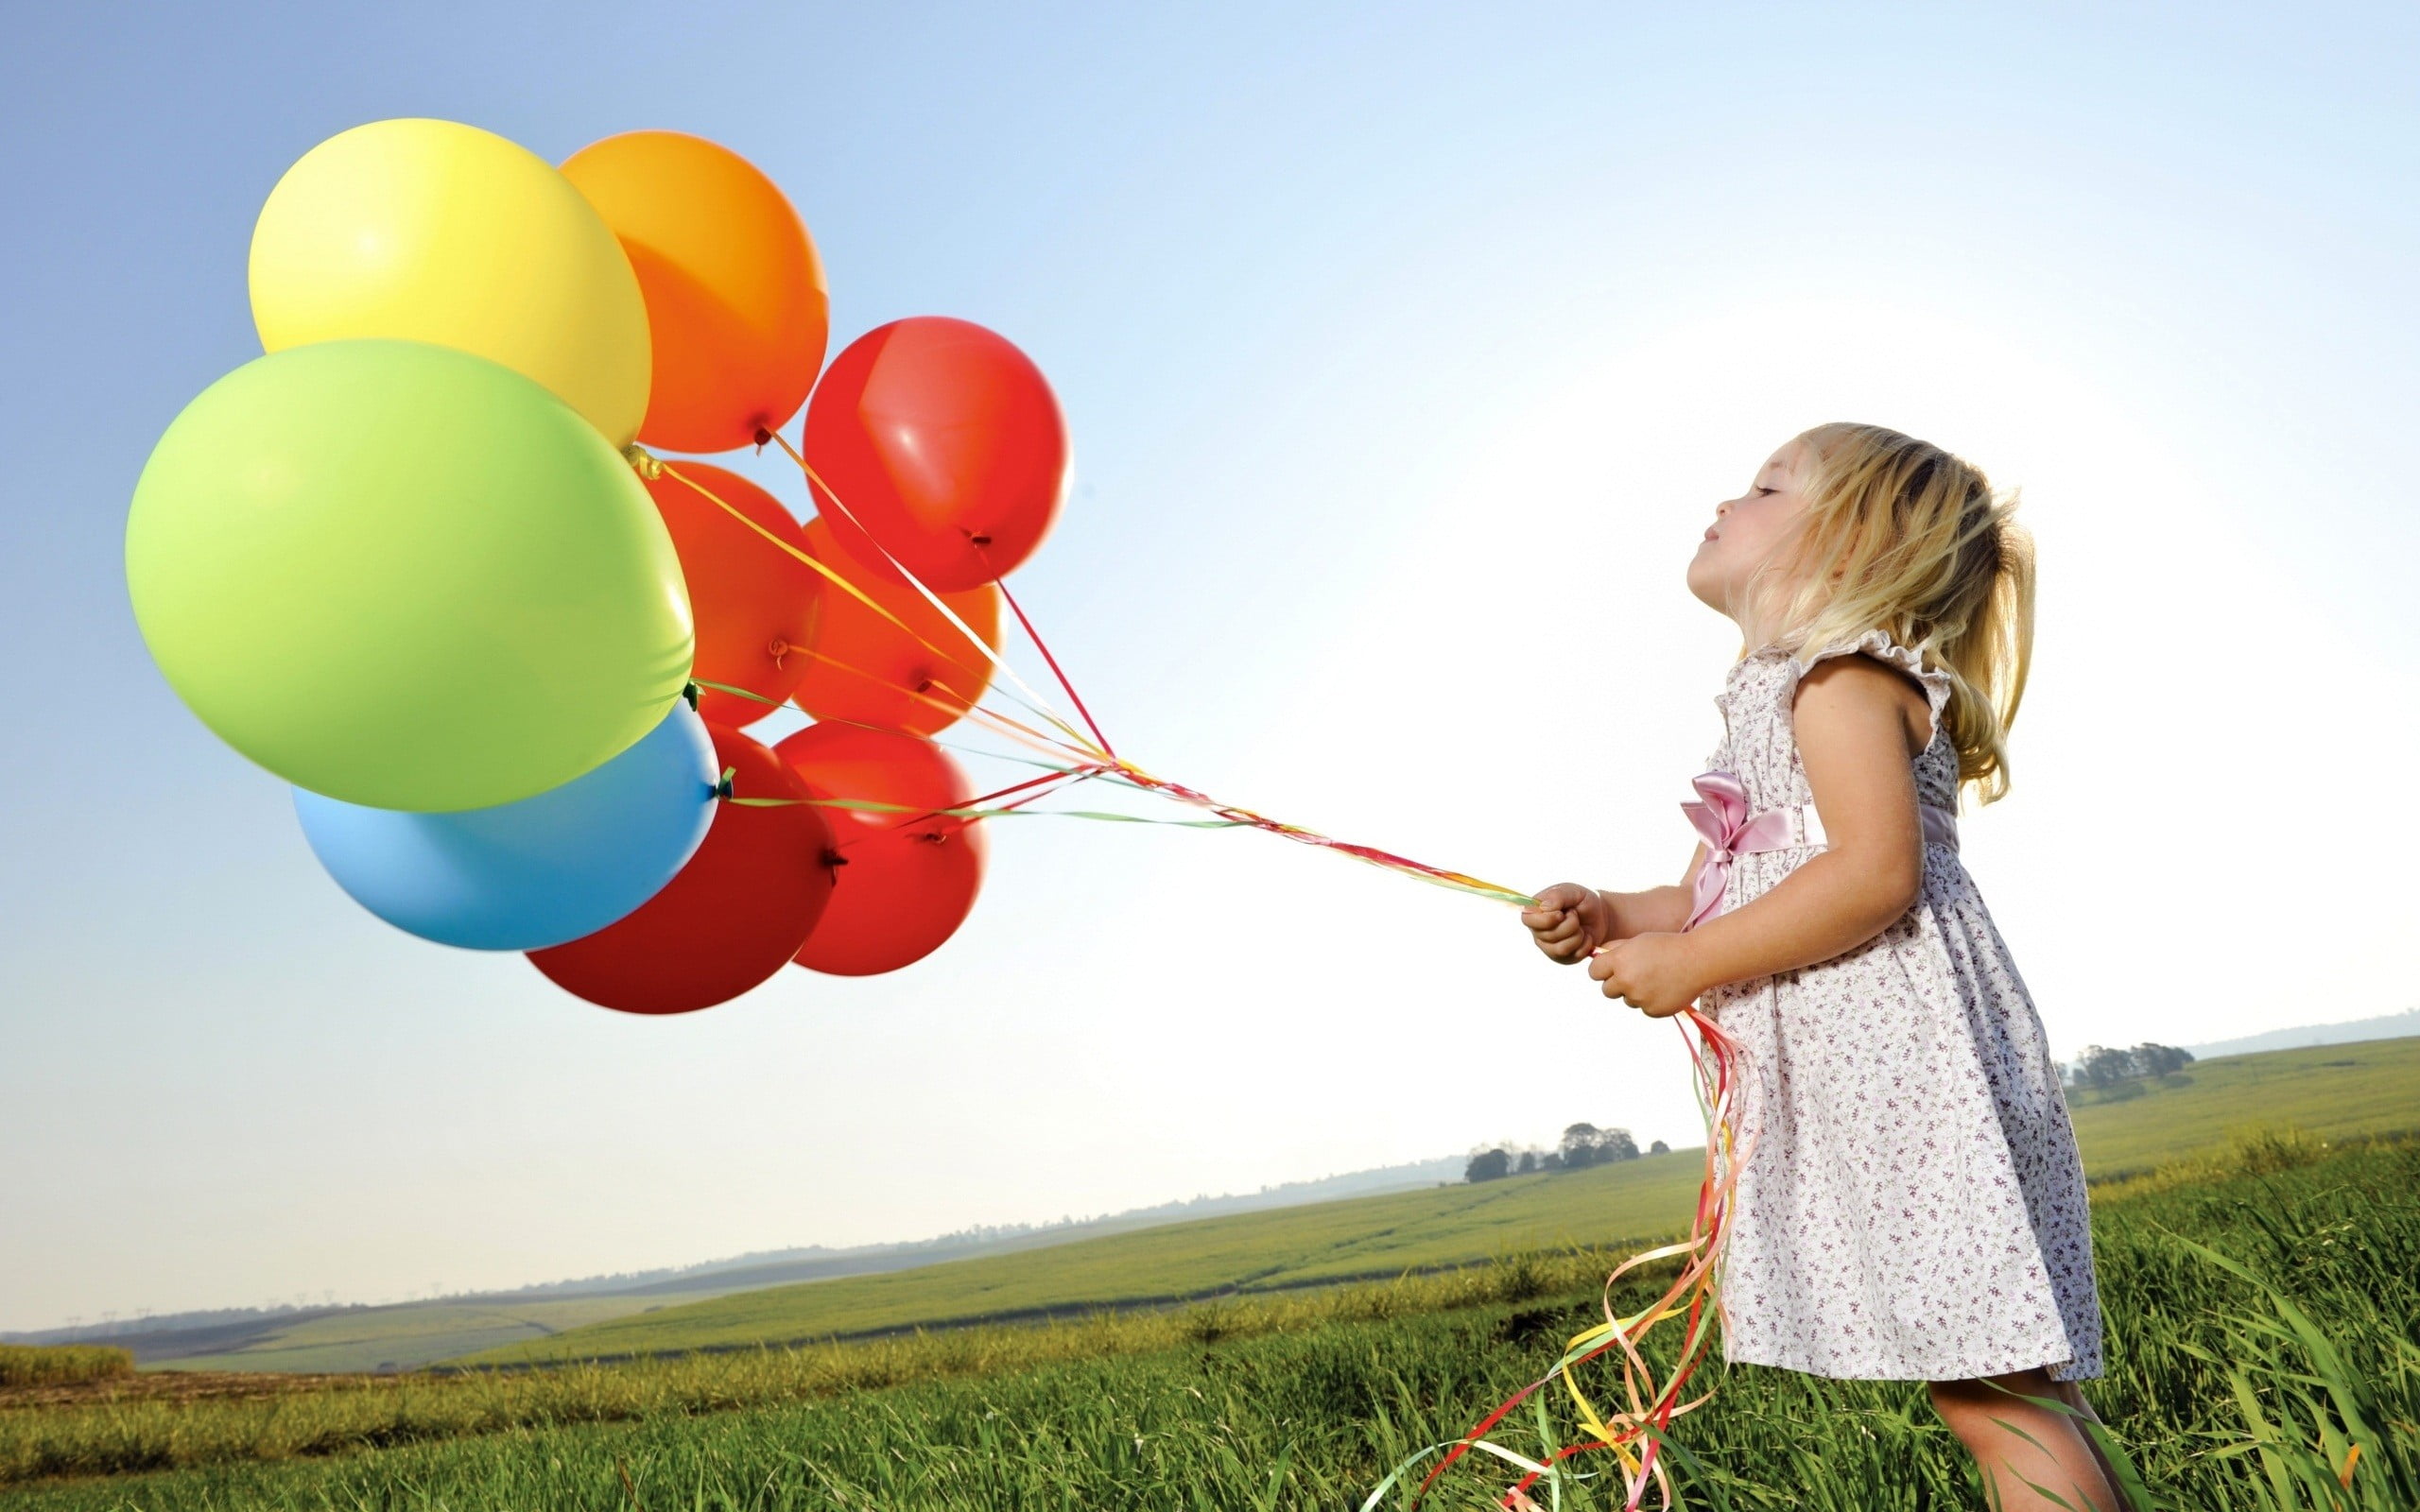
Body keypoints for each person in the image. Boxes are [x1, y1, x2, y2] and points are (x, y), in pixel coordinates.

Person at [1521, 424, 2132, 1511]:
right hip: (1883, 1082)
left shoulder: (1840, 681)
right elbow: (1719, 889)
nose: (1727, 495)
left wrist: (1694, 961)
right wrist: (1620, 914)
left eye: (1765, 485)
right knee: (2009, 1389)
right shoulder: (1774, 700)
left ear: (1851, 551)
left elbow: (1872, 873)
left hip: (1911, 1079)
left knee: (1995, 1395)